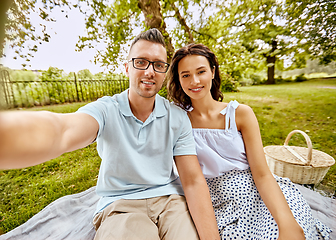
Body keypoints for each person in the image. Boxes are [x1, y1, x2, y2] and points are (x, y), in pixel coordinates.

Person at [0, 29, 220, 240]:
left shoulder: (177, 116)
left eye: (158, 65)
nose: (149, 71)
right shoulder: (106, 109)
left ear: (164, 72)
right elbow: (62, 130)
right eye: (141, 62)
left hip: (171, 202)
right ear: (127, 68)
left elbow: (191, 181)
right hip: (121, 205)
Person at [167, 43, 332, 240]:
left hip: (255, 192)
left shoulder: (239, 114)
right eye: (185, 75)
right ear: (178, 79)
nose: (194, 81)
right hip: (210, 199)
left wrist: (286, 223)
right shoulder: (178, 119)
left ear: (212, 72)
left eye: (201, 71)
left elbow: (262, 174)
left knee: (286, 232)